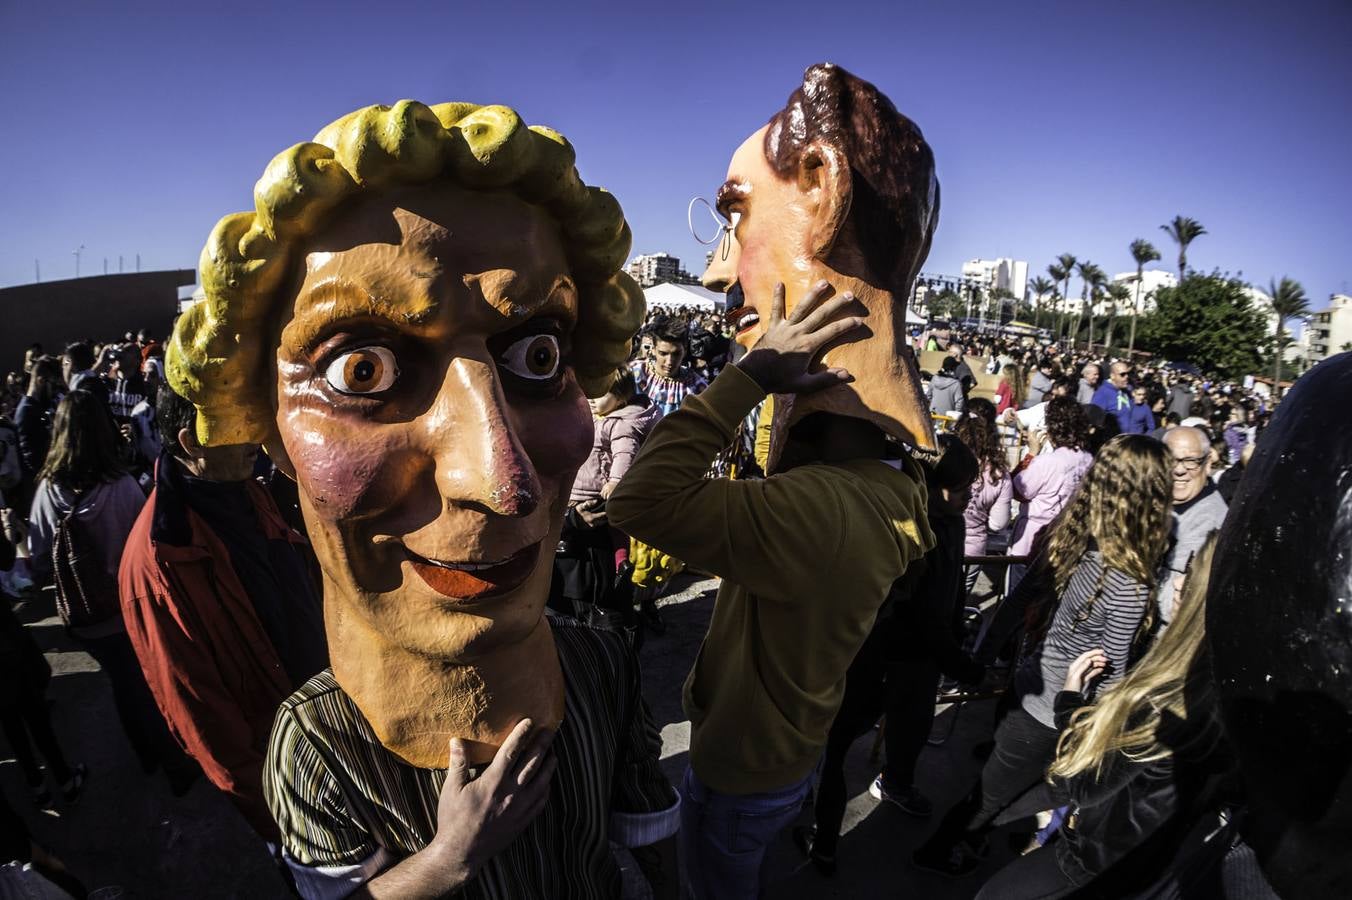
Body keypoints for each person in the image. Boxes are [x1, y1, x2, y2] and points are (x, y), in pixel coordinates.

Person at [163, 100, 676, 897]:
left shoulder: (604, 665)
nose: (501, 484)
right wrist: (446, 863)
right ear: (264, 422)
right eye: (362, 371)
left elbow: (647, 852)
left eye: (538, 354)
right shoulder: (314, 746)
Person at [624, 63, 940, 898]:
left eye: (734, 216)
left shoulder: (817, 513)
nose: (722, 272)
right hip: (784, 761)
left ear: (820, 185)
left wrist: (754, 376)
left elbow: (640, 500)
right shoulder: (894, 487)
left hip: (739, 774)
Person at [914, 434, 1174, 876]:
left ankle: (966, 842)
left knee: (996, 790)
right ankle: (936, 853)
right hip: (1047, 715)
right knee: (991, 796)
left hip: (1027, 689)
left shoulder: (1074, 538)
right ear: (1150, 495)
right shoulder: (1130, 580)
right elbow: (1108, 676)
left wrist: (984, 657)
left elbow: (1014, 606)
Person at [119, 383, 328, 840]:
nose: (254, 431)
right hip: (289, 778)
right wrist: (286, 820)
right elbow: (204, 722)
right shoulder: (158, 566)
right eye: (235, 423)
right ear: (191, 441)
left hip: (331, 729)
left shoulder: (252, 489)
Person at [974, 537, 1226, 899]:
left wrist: (1069, 701)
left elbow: (1086, 784)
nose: (1175, 581)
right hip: (1143, 860)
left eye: (1188, 573)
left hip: (1096, 863)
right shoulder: (1218, 688)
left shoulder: (1166, 700)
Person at [796, 434, 985, 874]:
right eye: (961, 488)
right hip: (876, 658)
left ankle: (895, 785)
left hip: (917, 663)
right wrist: (962, 663)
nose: (969, 496)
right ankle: (824, 843)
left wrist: (952, 646)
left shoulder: (948, 523)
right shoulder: (905, 526)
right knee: (835, 752)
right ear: (933, 487)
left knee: (907, 731)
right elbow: (921, 613)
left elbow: (949, 597)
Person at [26, 390, 195, 792]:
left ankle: (145, 756)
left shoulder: (46, 493)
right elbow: (150, 549)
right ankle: (175, 764)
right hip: (129, 610)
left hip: (85, 617)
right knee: (149, 685)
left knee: (121, 683)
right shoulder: (121, 487)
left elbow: (36, 559)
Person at [1156, 426, 1228, 628]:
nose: (1179, 470)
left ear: (1207, 464)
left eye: (1191, 461)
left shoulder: (1210, 523)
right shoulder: (1164, 498)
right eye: (1172, 460)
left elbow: (1178, 603)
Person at [1008, 397, 1093, 558]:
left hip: (1032, 538)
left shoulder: (1047, 462)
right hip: (1066, 537)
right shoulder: (1088, 459)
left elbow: (1016, 490)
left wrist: (1031, 453)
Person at [956, 405, 1013, 572]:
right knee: (962, 596)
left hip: (937, 542)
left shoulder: (944, 458)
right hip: (972, 550)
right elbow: (997, 524)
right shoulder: (999, 473)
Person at [630, 319, 707, 417]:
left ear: (685, 351)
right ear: (653, 349)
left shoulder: (696, 386)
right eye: (663, 353)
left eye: (676, 354)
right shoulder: (634, 374)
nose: (670, 361)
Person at [1091, 361, 1132, 431]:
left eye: (1128, 374)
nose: (1126, 377)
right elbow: (1094, 419)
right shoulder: (1103, 393)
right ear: (1112, 376)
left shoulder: (1126, 391)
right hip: (1113, 439)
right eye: (1122, 374)